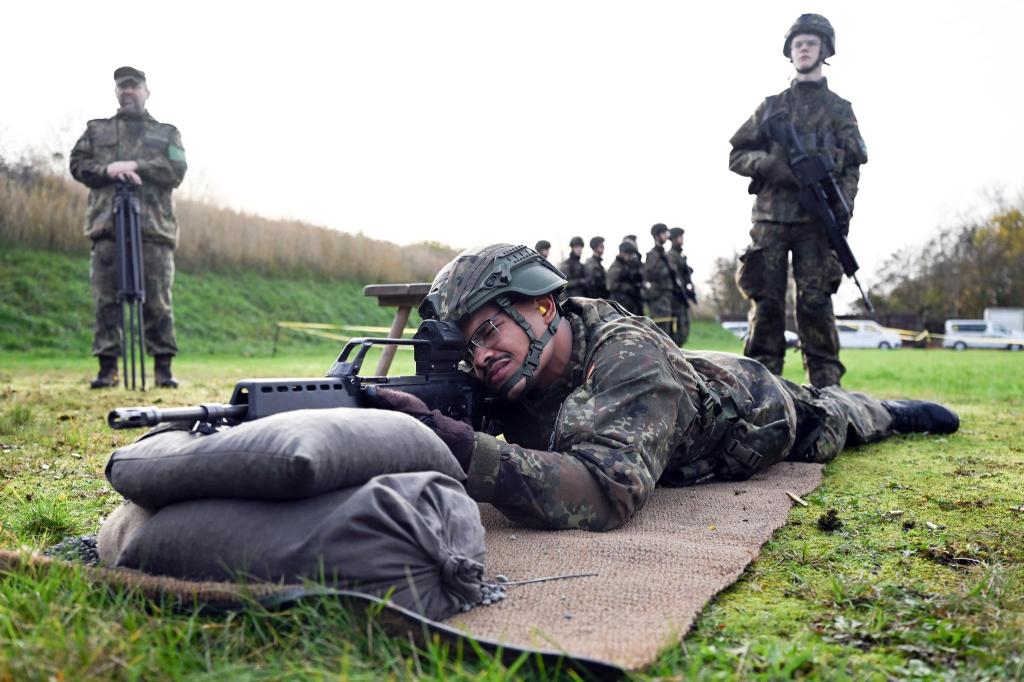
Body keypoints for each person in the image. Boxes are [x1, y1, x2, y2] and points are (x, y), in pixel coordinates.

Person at [367, 244, 959, 531]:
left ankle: (885, 410)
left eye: (490, 329)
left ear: (545, 305)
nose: (481, 355)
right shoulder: (504, 372)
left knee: (828, 418)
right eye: (466, 345)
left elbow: (603, 493)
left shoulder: (630, 358)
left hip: (750, 413)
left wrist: (466, 450)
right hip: (676, 383)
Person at [728, 14, 867, 388]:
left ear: (824, 49)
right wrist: (767, 165)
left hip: (816, 222)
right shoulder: (772, 107)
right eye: (797, 44)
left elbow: (853, 165)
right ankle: (759, 386)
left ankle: (826, 387)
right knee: (767, 302)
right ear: (790, 53)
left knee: (815, 302)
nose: (804, 48)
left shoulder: (840, 110)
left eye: (811, 42)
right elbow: (735, 155)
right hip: (771, 219)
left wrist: (844, 206)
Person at [70, 66, 187, 388]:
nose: (128, 91)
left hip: (153, 230)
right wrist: (109, 169)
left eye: (134, 86)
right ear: (116, 92)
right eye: (122, 87)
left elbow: (176, 169)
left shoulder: (166, 132)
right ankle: (108, 369)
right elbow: (77, 164)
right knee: (106, 300)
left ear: (146, 91)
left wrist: (136, 166)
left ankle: (163, 369)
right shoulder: (97, 130)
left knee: (158, 301)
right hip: (107, 227)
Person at [644, 223, 680, 340]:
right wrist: (665, 271)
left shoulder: (665, 254)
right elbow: (649, 274)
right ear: (657, 236)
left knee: (669, 331)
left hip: (667, 297)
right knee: (660, 330)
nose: (666, 236)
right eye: (663, 233)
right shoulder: (653, 254)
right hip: (658, 297)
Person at [667, 227, 697, 346]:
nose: (682, 239)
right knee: (677, 332)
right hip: (676, 299)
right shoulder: (671, 255)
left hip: (683, 298)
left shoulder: (680, 255)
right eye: (679, 237)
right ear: (673, 239)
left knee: (685, 329)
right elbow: (674, 277)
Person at [605, 240, 643, 314]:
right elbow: (610, 285)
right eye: (629, 254)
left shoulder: (627, 265)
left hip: (630, 303)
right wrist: (627, 287)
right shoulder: (615, 266)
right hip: (620, 304)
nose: (630, 257)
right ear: (622, 253)